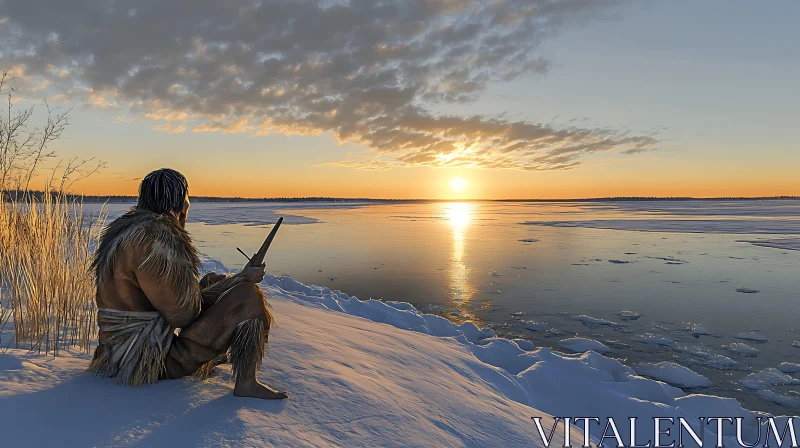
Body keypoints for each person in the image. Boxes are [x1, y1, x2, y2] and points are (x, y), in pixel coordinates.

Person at [88, 168, 288, 399]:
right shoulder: (157, 238)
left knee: (215, 280)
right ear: (180, 202)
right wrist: (241, 281)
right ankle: (246, 382)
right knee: (249, 296)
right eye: (186, 197)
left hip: (115, 353)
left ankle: (226, 355)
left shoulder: (127, 231)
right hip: (145, 359)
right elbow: (183, 316)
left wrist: (228, 282)